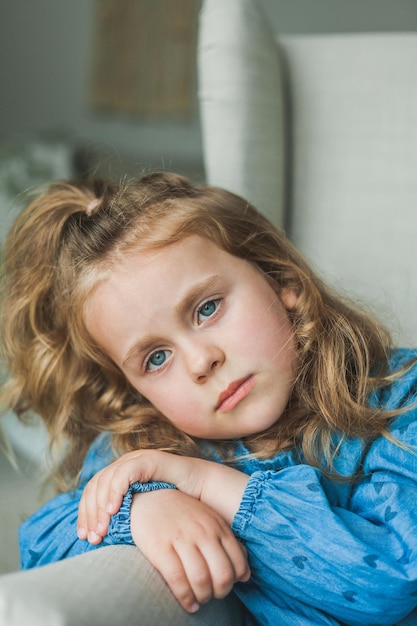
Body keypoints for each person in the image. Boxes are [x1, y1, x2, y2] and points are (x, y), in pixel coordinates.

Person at [1, 172, 417, 626]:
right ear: (134, 390)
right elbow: (40, 545)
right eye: (157, 358)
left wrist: (205, 486)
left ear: (280, 278)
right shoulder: (155, 445)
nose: (201, 362)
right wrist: (143, 508)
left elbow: (396, 577)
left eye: (207, 308)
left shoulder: (398, 399)